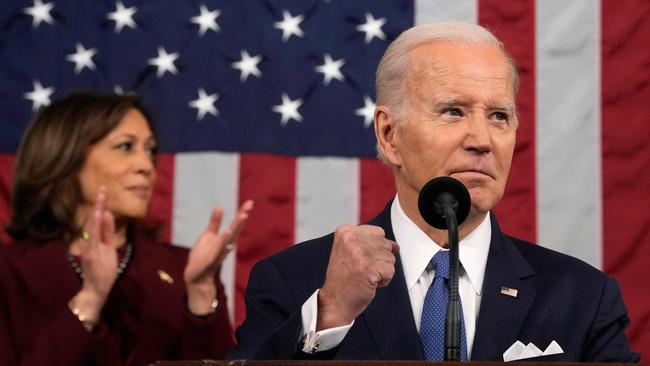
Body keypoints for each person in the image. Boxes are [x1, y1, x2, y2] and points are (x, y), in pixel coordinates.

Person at [228, 21, 639, 362]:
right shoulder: (295, 281)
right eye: (453, 111)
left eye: (499, 116)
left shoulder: (582, 297)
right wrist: (332, 313)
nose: (482, 139)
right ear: (389, 135)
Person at [0, 91, 253, 366]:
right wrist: (90, 299)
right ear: (65, 156)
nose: (147, 166)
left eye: (150, 150)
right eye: (125, 147)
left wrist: (201, 290)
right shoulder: (9, 271)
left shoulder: (185, 269)